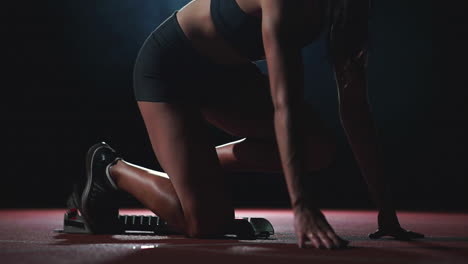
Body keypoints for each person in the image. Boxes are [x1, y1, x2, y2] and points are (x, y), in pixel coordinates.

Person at [76, 0, 424, 249]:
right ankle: (111, 168)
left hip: (226, 78)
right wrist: (301, 206)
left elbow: (355, 108)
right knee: (206, 223)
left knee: (318, 149)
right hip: (170, 69)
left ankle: (198, 168)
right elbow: (283, 104)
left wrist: (386, 211)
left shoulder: (350, 9)